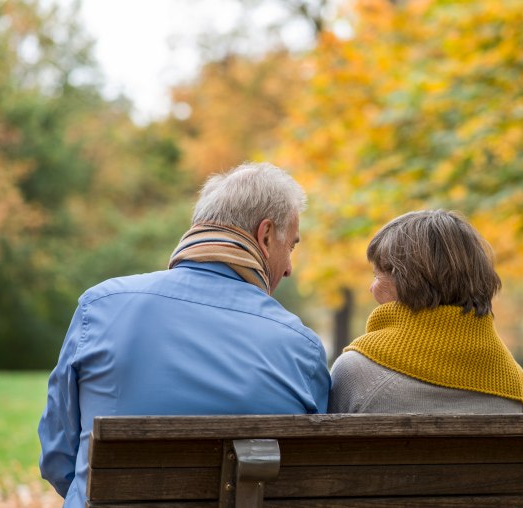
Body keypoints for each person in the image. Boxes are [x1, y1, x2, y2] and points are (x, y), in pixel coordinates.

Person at [38, 162, 330, 507]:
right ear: (265, 236)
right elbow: (312, 479)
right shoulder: (301, 347)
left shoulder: (101, 307)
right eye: (291, 247)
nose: (289, 269)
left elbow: (59, 455)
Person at [329, 209, 523, 414]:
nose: (371, 288)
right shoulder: (513, 384)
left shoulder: (356, 372)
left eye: (377, 276)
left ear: (406, 281)